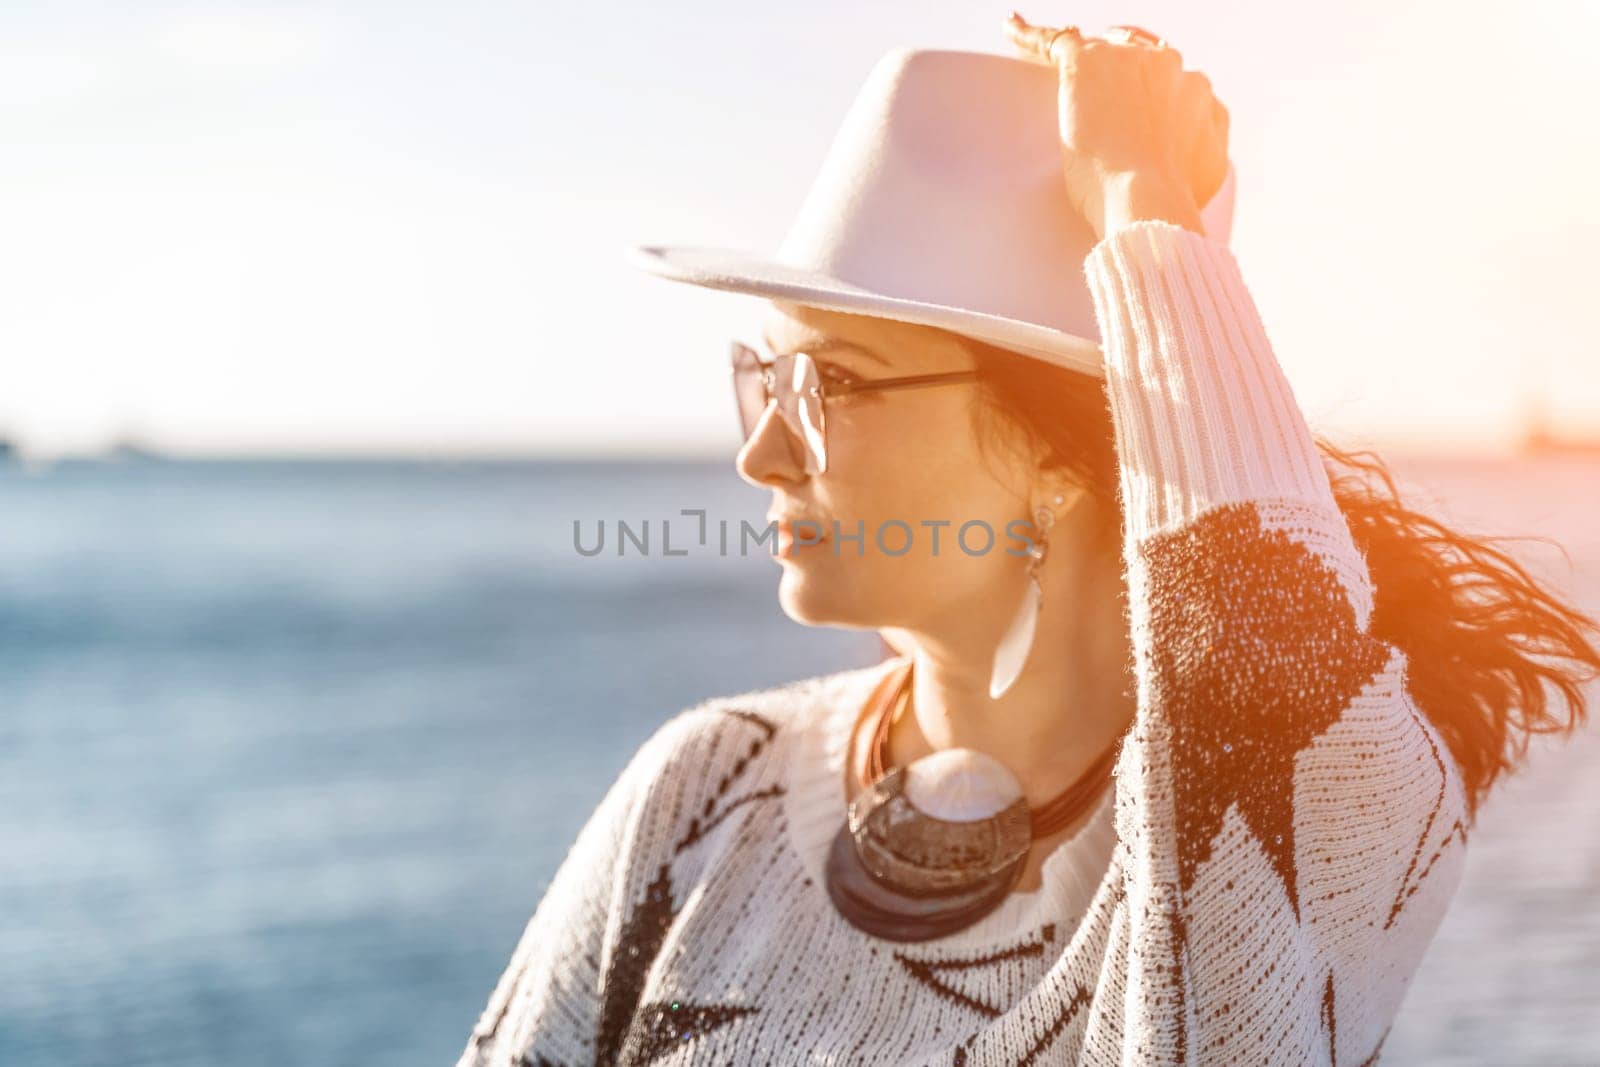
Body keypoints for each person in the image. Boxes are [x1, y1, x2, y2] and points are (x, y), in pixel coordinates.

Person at [458, 15, 1600, 1066]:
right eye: (764, 375)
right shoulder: (709, 781)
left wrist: (1142, 196)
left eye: (831, 384)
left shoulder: (1323, 809)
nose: (761, 452)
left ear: (1061, 454)